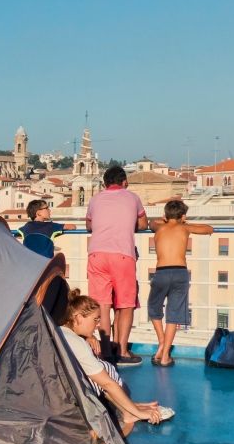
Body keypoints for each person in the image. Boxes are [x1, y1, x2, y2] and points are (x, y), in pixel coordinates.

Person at [59, 289, 174, 430]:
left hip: (59, 392)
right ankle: (128, 412)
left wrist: (90, 337)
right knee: (105, 371)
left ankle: (128, 407)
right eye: (95, 319)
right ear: (78, 317)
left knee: (99, 371)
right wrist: (138, 413)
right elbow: (106, 383)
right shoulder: (77, 343)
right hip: (71, 399)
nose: (98, 325)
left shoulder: (60, 332)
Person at [86, 166, 148, 365]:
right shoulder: (132, 198)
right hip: (122, 255)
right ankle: (122, 351)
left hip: (96, 255)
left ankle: (105, 352)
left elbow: (89, 225)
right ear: (125, 182)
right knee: (126, 305)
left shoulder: (95, 199)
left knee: (102, 306)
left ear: (104, 184)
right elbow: (143, 224)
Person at [148, 200, 213, 367]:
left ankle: (161, 343)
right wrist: (186, 223)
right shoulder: (185, 228)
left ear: (165, 215)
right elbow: (208, 229)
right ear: (183, 216)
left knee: (154, 308)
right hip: (180, 272)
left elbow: (150, 222)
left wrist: (163, 220)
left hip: (161, 272)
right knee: (174, 314)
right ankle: (165, 356)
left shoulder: (159, 227)